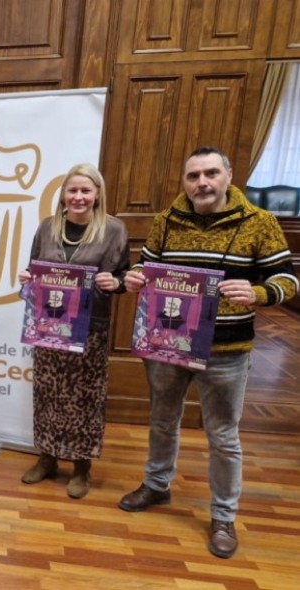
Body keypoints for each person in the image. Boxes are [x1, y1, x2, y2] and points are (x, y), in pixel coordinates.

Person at [117, 146, 298, 559]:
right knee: (163, 421)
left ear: (228, 176)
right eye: (194, 175)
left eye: (211, 173)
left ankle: (223, 514)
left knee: (223, 436)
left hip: (227, 349)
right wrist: (135, 279)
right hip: (167, 344)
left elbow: (287, 278)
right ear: (184, 182)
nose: (202, 182)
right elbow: (148, 268)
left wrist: (259, 292)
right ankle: (157, 486)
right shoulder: (166, 221)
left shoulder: (260, 222)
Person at [18, 163, 129, 499]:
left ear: (97, 195)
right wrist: (27, 278)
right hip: (49, 325)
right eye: (73, 190)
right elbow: (34, 268)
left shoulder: (114, 230)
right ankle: (48, 457)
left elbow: (123, 278)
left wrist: (116, 283)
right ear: (63, 194)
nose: (78, 197)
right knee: (48, 393)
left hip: (89, 328)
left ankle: (82, 466)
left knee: (85, 397)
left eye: (86, 190)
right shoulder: (48, 227)